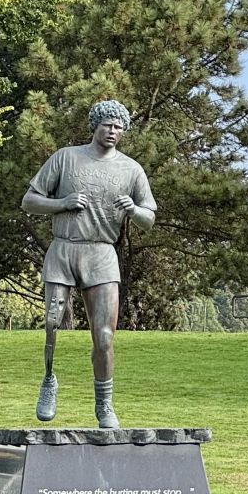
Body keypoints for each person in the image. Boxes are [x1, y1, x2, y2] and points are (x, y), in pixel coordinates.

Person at [19, 100, 156, 428]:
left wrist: (134, 211)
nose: (113, 131)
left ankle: (104, 404)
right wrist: (61, 203)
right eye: (108, 124)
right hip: (64, 250)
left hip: (101, 254)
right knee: (52, 325)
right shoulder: (66, 158)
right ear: (95, 125)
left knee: (105, 334)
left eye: (119, 127)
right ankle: (49, 380)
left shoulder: (131, 170)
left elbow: (149, 216)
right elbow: (29, 201)